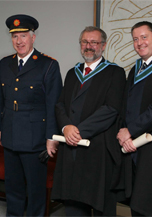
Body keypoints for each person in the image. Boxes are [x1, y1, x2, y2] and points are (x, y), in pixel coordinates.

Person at [51, 26, 126, 216]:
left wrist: (78, 131)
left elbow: (111, 109)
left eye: (94, 42)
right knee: (73, 204)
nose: (89, 46)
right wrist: (66, 127)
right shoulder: (72, 72)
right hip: (71, 150)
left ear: (104, 45)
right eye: (85, 42)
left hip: (99, 150)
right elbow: (60, 105)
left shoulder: (115, 73)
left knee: (102, 206)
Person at [0, 14, 62, 216]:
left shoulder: (48, 65)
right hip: (10, 133)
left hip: (35, 137)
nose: (19, 41)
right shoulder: (5, 63)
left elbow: (53, 105)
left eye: (23, 36)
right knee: (13, 188)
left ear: (33, 37)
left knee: (35, 191)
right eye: (15, 37)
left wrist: (51, 137)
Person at [117, 21, 152, 216]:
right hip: (135, 149)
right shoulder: (136, 69)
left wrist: (130, 130)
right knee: (138, 206)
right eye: (135, 39)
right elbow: (126, 106)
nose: (139, 42)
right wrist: (125, 134)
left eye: (144, 37)